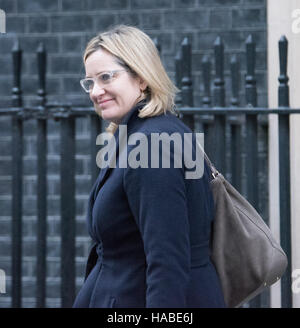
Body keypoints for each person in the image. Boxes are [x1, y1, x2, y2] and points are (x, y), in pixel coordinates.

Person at [72, 25, 226, 308]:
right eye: (89, 82)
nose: (95, 91)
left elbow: (168, 261)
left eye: (106, 77)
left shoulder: (152, 144)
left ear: (141, 78)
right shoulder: (146, 134)